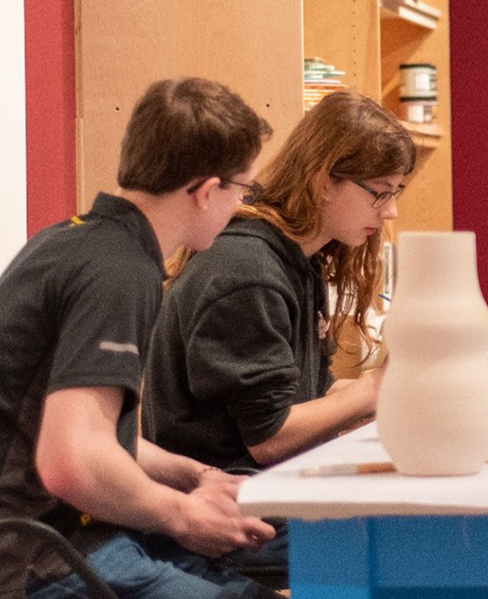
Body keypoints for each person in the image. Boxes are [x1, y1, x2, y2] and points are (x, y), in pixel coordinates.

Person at [0, 78, 280, 598]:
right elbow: (72, 460)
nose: (242, 204)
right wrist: (185, 517)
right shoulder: (120, 271)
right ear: (206, 191)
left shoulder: (66, 241)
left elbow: (93, 434)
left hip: (67, 535)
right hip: (39, 559)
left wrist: (195, 477)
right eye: (244, 190)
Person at [143, 92, 416, 473]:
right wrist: (375, 388)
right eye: (380, 191)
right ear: (323, 181)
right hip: (226, 496)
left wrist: (404, 393)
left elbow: (310, 394)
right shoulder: (249, 274)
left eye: (395, 192)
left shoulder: (298, 262)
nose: (391, 211)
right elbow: (269, 437)